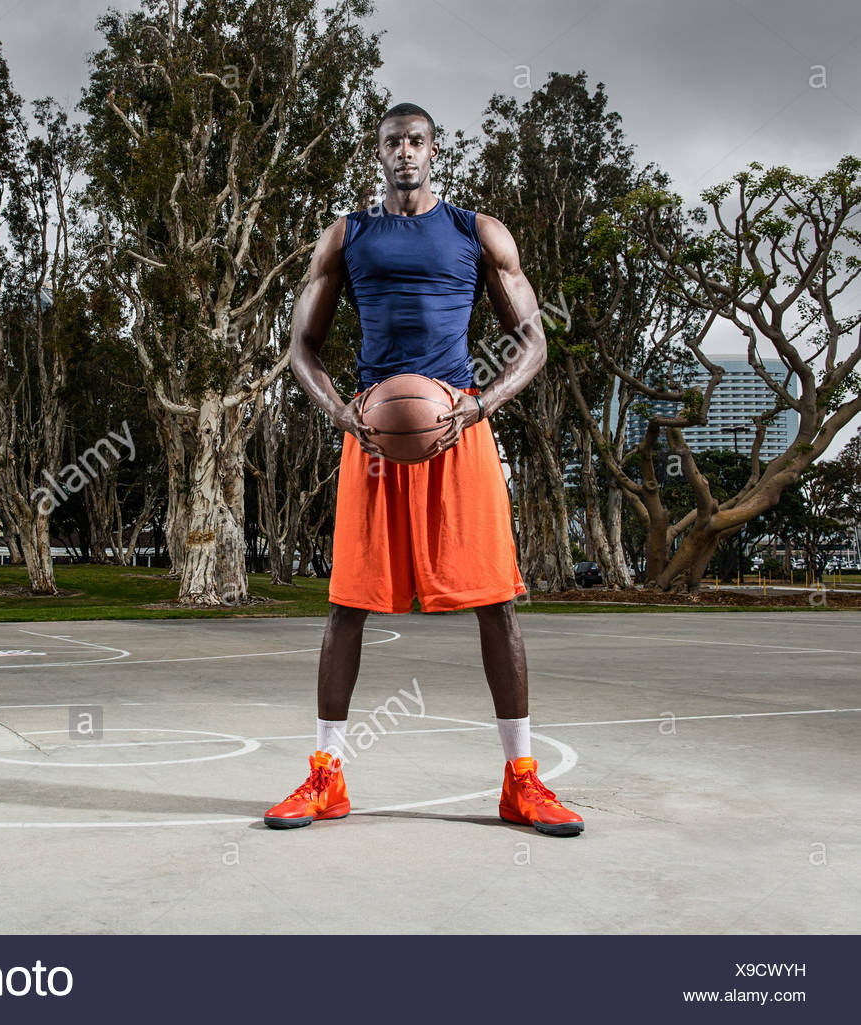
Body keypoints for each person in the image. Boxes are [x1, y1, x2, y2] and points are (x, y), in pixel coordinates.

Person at [266, 102, 583, 837]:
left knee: (496, 600)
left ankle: (521, 781)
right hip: (373, 440)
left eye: (416, 141)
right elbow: (301, 348)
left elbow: (532, 343)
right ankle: (326, 777)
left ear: (435, 151)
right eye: (391, 142)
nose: (404, 152)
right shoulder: (347, 235)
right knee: (348, 602)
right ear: (375, 153)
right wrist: (338, 411)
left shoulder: (478, 232)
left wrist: (480, 407)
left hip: (458, 428)